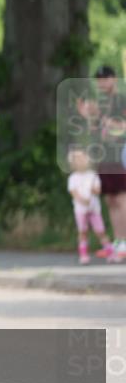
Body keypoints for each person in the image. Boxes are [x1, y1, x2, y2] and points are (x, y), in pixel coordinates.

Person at [78, 65, 126, 255]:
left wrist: (100, 116)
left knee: (123, 198)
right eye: (99, 80)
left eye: (105, 78)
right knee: (111, 200)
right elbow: (96, 132)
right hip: (105, 155)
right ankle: (118, 240)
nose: (102, 83)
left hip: (120, 154)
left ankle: (125, 242)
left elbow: (122, 128)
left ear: (114, 79)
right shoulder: (100, 102)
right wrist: (88, 117)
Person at [67, 148, 116, 264]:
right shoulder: (73, 178)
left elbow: (98, 190)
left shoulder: (92, 176)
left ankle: (110, 253)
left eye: (82, 158)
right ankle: (83, 255)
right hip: (80, 210)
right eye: (77, 159)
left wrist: (93, 190)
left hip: (94, 209)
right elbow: (74, 192)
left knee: (100, 231)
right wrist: (82, 200)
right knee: (82, 231)